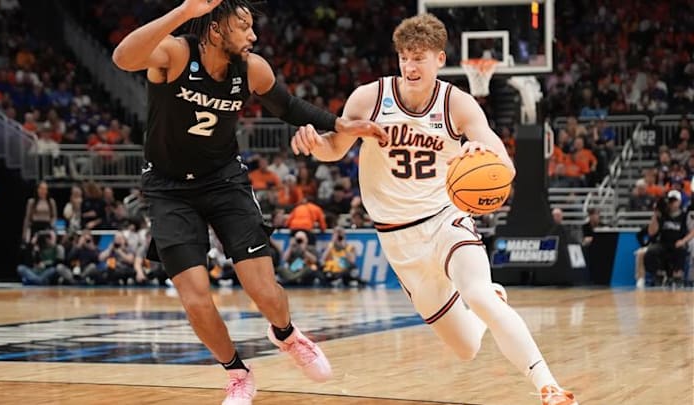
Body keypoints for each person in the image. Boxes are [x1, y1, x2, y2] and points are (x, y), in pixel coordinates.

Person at [290, 13, 577, 405]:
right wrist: (313, 144)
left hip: (446, 220)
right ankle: (490, 296)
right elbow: (333, 148)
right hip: (398, 239)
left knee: (479, 296)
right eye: (405, 57)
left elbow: (505, 166)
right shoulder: (368, 99)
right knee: (466, 347)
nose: (410, 66)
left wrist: (481, 152)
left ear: (440, 59)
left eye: (419, 57)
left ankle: (549, 387)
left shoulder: (457, 105)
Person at [111, 1, 386, 403]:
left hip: (224, 181)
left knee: (263, 289)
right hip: (168, 189)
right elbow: (122, 58)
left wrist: (339, 124)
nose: (253, 36)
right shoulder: (175, 53)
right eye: (244, 27)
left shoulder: (252, 68)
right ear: (217, 31)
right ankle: (238, 373)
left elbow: (288, 106)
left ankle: (287, 334)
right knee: (195, 297)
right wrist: (184, 10)